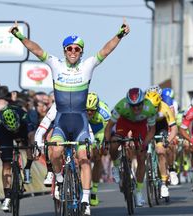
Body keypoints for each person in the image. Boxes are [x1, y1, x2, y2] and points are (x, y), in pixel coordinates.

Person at [11, 18, 130, 216]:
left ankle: (85, 199)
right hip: (62, 121)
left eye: (77, 49)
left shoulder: (88, 66)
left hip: (81, 122)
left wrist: (120, 34)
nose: (73, 52)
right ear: (64, 50)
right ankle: (58, 179)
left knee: (84, 157)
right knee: (55, 153)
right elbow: (37, 49)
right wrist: (20, 36)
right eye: (69, 49)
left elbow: (106, 50)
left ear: (81, 52)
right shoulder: (55, 64)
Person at [35, 92, 110, 207]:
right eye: (87, 110)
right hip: (62, 129)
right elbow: (44, 125)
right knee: (51, 142)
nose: (89, 112)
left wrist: (99, 144)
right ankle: (53, 172)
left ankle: (87, 189)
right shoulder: (58, 105)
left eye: (92, 110)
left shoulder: (92, 110)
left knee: (88, 156)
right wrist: (39, 143)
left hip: (89, 130)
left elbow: (101, 129)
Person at [104, 88, 157, 207]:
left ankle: (138, 192)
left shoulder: (150, 109)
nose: (136, 108)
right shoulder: (121, 106)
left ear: (143, 102)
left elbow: (152, 130)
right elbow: (108, 128)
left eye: (138, 105)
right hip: (124, 122)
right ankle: (116, 166)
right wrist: (107, 142)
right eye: (133, 106)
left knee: (141, 156)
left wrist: (144, 144)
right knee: (114, 143)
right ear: (128, 104)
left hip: (140, 126)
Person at [0, 104, 35, 212]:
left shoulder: (23, 115)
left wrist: (33, 145)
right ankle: (7, 197)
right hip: (6, 134)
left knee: (29, 144)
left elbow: (31, 134)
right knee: (6, 165)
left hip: (22, 129)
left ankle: (27, 168)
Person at [145, 90, 178, 198]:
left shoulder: (164, 107)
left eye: (155, 107)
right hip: (147, 126)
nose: (153, 109)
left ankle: (164, 183)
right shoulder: (142, 109)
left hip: (161, 126)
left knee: (160, 151)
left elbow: (174, 129)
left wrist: (167, 140)